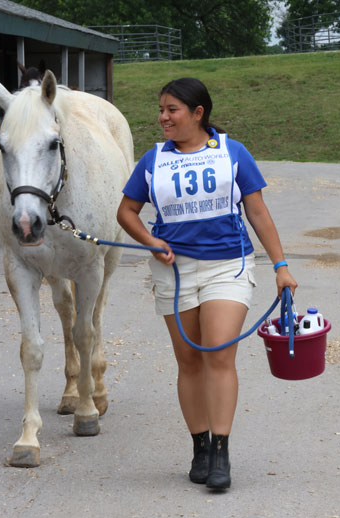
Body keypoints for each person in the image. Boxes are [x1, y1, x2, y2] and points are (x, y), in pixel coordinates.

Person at [117, 78, 297, 491]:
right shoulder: (153, 160)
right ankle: (199, 445)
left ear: (198, 113)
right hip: (175, 271)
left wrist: (281, 266)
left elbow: (258, 211)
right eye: (161, 109)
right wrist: (150, 240)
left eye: (172, 110)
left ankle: (221, 450)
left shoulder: (232, 153)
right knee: (188, 362)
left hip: (227, 268)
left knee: (218, 356)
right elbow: (126, 211)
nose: (162, 117)